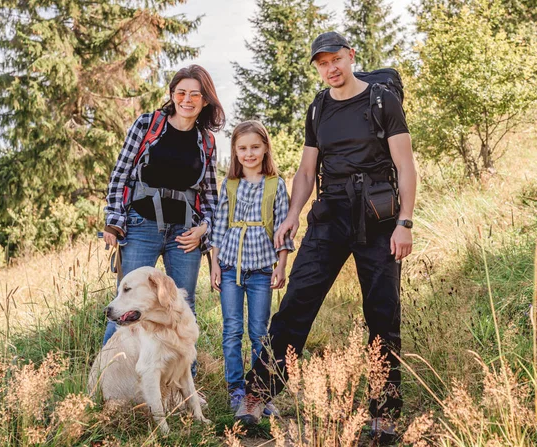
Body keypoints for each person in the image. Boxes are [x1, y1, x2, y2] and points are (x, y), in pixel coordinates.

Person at [235, 32, 417, 444]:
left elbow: (405, 165)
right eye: (322, 63)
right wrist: (293, 215)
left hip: (378, 216)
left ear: (351, 56)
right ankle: (257, 395)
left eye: (336, 59)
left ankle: (383, 413)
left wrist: (405, 222)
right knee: (297, 302)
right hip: (330, 213)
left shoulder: (382, 101)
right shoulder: (318, 108)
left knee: (383, 313)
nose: (331, 68)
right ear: (317, 66)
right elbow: (304, 172)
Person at [102, 65, 226, 373]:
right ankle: (107, 377)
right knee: (126, 306)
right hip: (141, 226)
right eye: (181, 92)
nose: (187, 99)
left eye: (195, 94)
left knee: (181, 306)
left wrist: (204, 230)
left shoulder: (206, 141)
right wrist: (113, 220)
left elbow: (211, 196)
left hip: (185, 234)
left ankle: (184, 388)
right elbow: (120, 173)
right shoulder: (148, 124)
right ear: (172, 95)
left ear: (205, 100)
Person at [210, 121, 294, 415]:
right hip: (231, 267)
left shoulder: (276, 183)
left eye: (255, 147)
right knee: (232, 330)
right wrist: (214, 266)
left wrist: (281, 266)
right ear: (234, 151)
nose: (249, 153)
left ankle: (260, 391)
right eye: (243, 148)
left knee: (259, 332)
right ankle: (235, 388)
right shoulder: (230, 184)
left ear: (265, 148)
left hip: (261, 271)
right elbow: (219, 227)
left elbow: (284, 228)